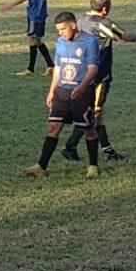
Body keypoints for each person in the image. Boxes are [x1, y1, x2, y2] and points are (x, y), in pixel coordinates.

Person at [60, 0, 136, 162]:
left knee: (94, 113)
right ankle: (71, 147)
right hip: (98, 77)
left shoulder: (81, 20)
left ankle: (106, 150)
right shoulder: (103, 23)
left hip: (80, 74)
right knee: (94, 114)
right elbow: (127, 37)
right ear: (105, 9)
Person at [23, 11, 102, 179]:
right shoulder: (60, 42)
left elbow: (93, 68)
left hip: (82, 93)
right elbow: (58, 68)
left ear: (73, 25)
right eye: (58, 30)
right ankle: (41, 167)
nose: (61, 33)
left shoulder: (89, 42)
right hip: (62, 92)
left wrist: (82, 86)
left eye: (63, 29)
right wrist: (52, 90)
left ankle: (93, 165)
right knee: (53, 127)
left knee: (88, 130)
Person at [0, 0, 55, 77]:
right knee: (37, 39)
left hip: (35, 12)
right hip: (42, 11)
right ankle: (50, 65)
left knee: (32, 38)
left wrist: (9, 5)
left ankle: (31, 69)